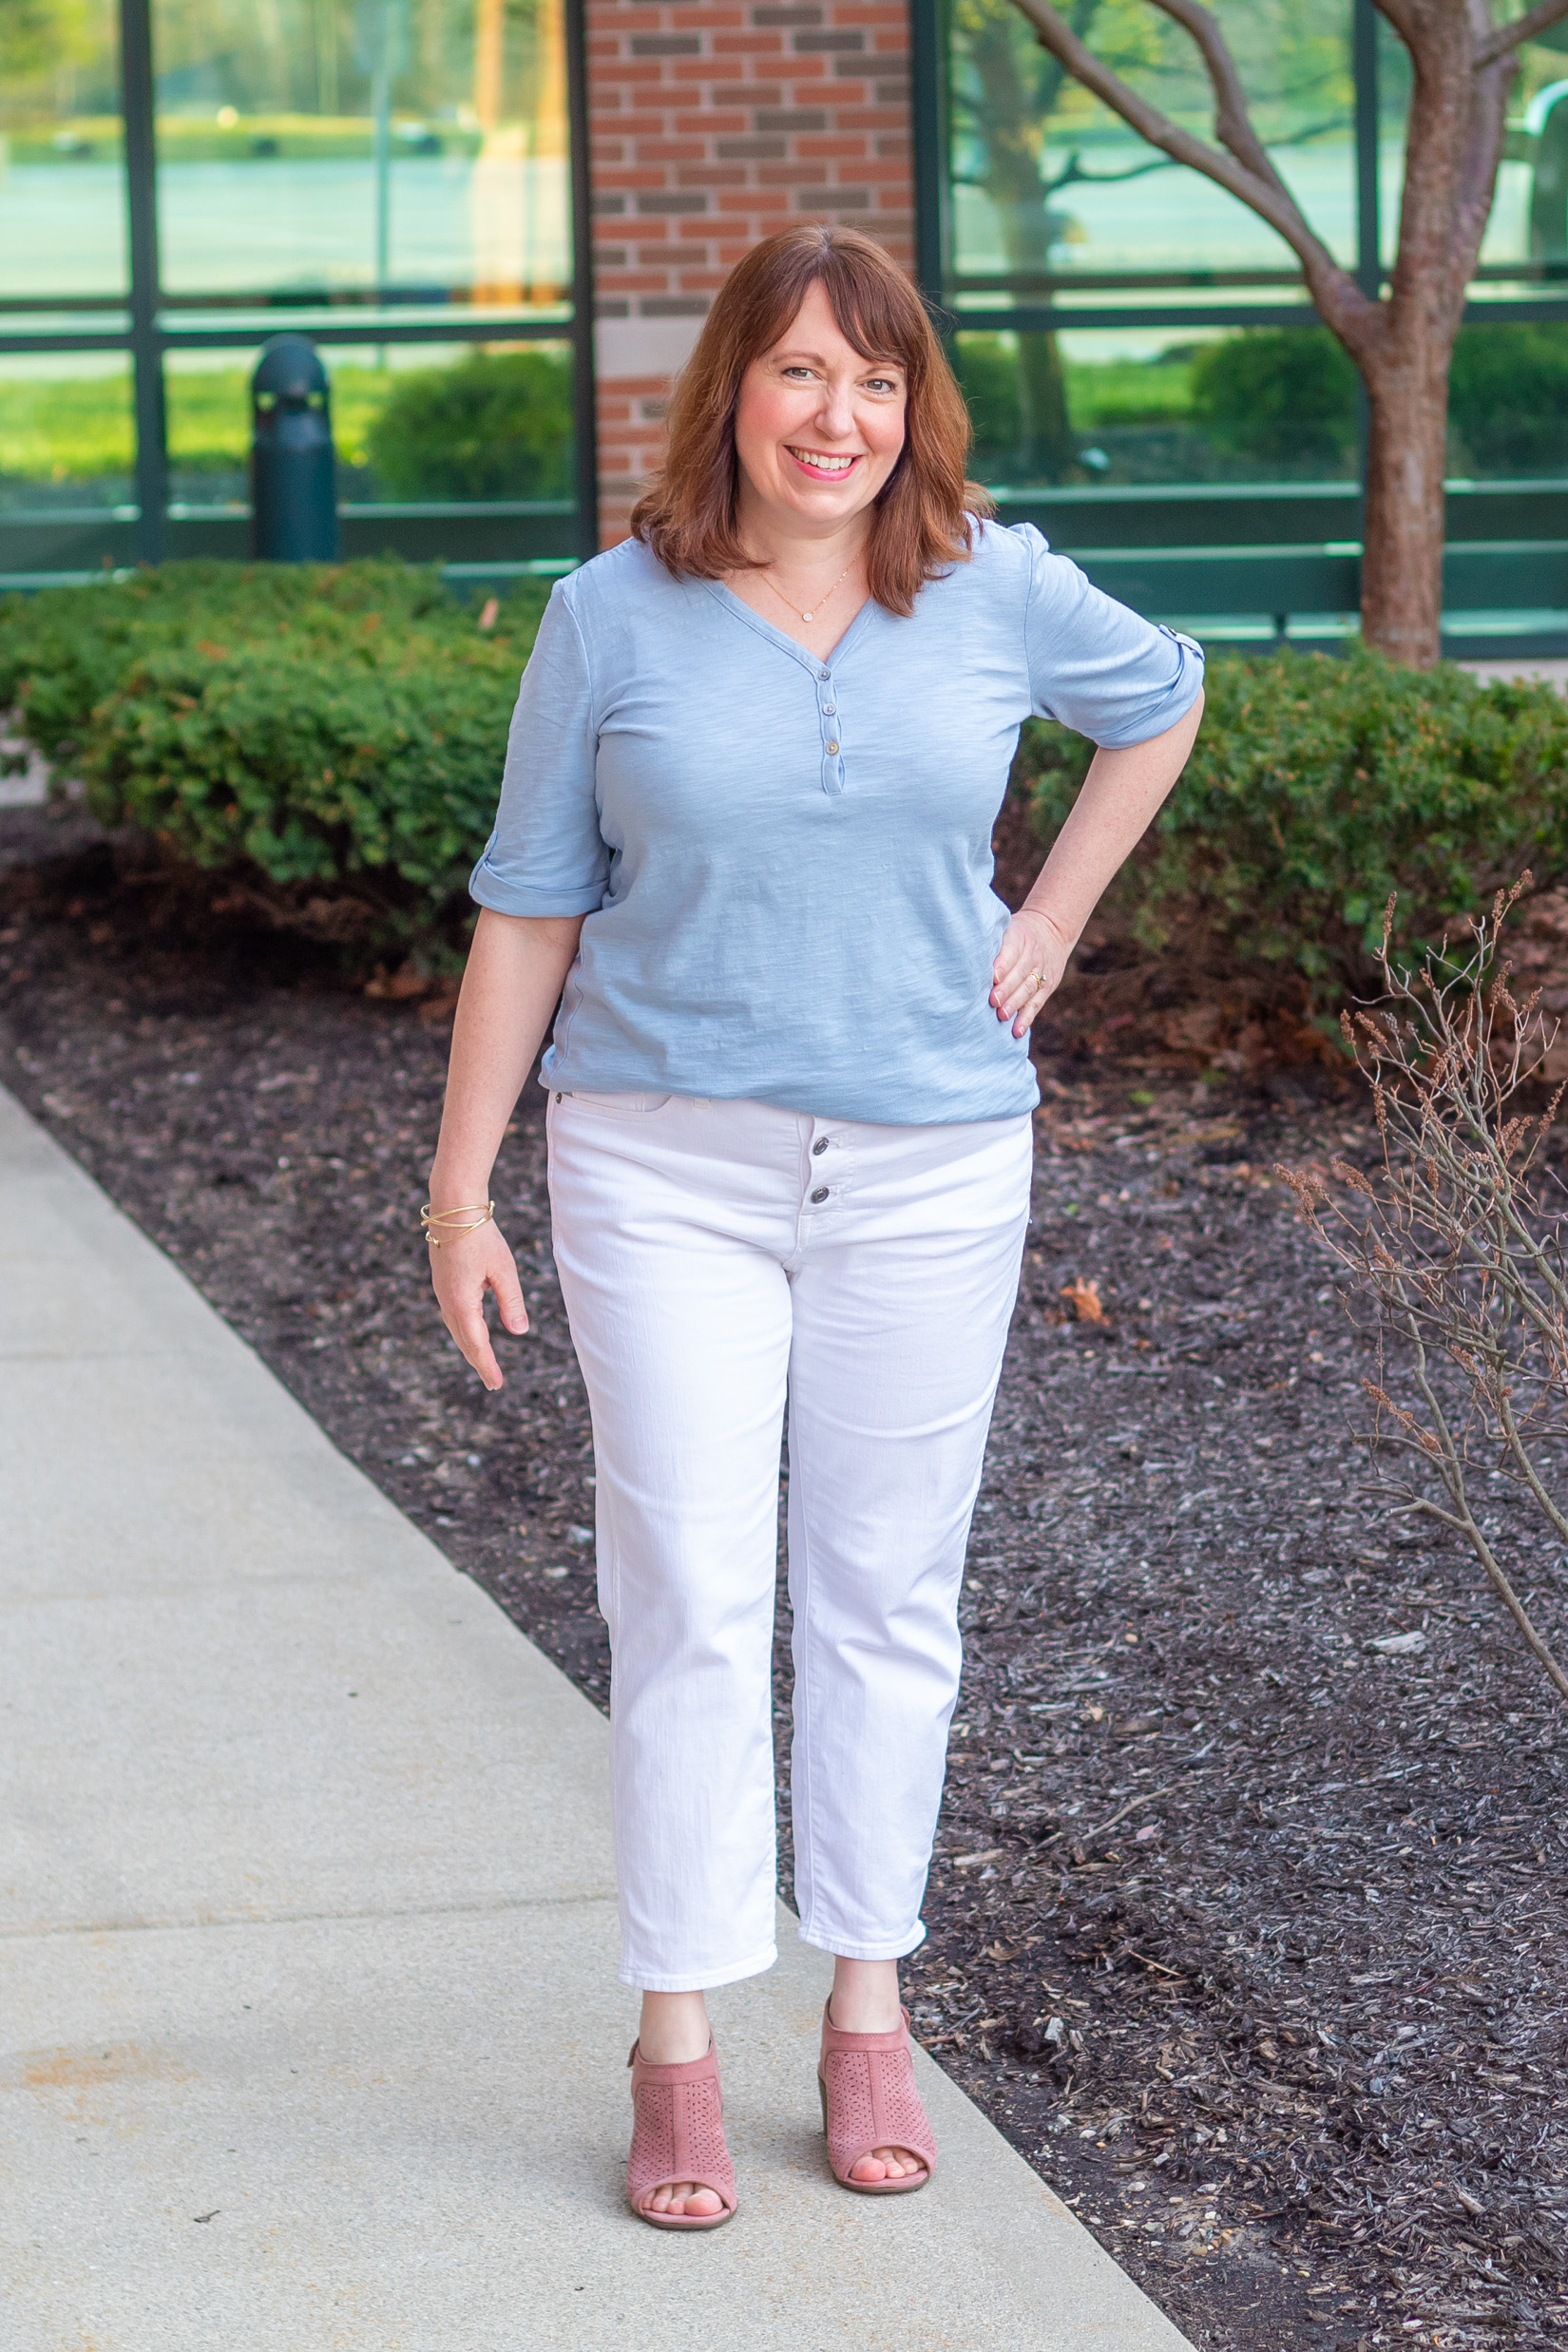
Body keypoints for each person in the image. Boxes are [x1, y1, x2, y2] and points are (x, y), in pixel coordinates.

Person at [425, 221, 1203, 2229]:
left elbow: (1168, 700)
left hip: (935, 1162)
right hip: (660, 1163)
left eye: (874, 378)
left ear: (912, 404)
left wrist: (1049, 921)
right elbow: (529, 897)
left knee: (884, 1593)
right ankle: (678, 2030)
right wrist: (459, 1179)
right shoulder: (612, 615)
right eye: (795, 373)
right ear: (732, 396)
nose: (835, 416)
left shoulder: (997, 585)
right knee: (685, 1591)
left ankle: (869, 1999)